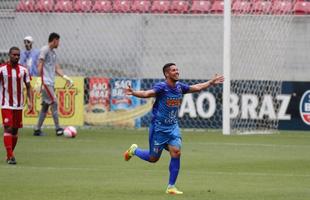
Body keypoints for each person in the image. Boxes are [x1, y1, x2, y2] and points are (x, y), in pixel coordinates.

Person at [123, 63, 224, 195]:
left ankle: (171, 186)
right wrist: (134, 93)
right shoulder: (162, 87)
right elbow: (148, 93)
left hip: (172, 127)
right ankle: (134, 150)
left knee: (176, 152)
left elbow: (197, 87)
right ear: (167, 74)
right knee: (153, 158)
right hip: (158, 129)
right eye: (173, 70)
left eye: (177, 69)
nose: (177, 72)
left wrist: (210, 82)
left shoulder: (180, 87)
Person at [33, 32, 73, 136]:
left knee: (45, 106)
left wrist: (65, 77)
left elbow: (56, 68)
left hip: (50, 82)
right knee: (54, 102)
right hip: (45, 82)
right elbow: (40, 64)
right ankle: (58, 129)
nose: (59, 43)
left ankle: (37, 129)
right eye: (58, 41)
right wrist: (39, 79)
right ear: (54, 40)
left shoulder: (53, 53)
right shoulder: (45, 50)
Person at [1, 46, 33, 164]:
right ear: (9, 55)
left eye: (18, 55)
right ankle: (11, 156)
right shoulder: (2, 69)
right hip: (6, 104)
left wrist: (30, 101)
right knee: (8, 128)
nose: (16, 57)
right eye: (14, 55)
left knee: (14, 131)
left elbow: (29, 87)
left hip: (19, 105)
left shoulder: (23, 70)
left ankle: (10, 154)